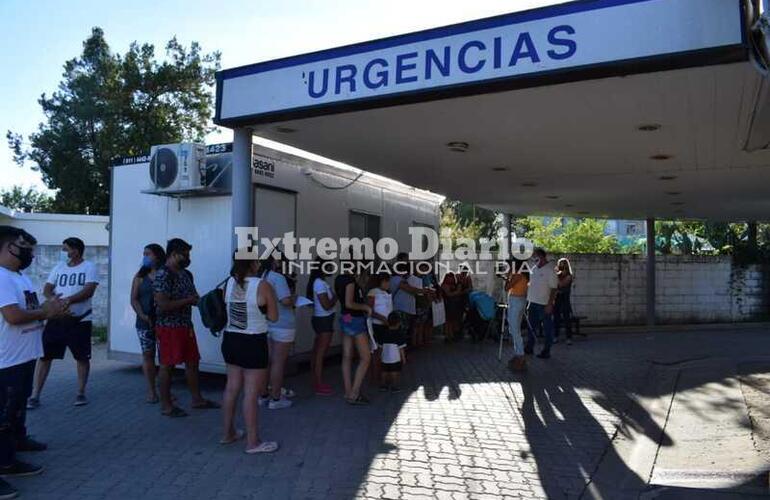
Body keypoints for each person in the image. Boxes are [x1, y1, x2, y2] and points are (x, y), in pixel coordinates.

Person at [0, 226, 69, 499]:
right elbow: (14, 316)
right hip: (6, 361)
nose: (29, 252)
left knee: (14, 411)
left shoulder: (18, 277)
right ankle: (5, 463)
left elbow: (32, 310)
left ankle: (13, 449)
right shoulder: (1, 277)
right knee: (3, 417)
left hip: (23, 356)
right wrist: (46, 311)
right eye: (24, 247)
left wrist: (51, 310)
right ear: (8, 247)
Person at [28, 237, 99, 408]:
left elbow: (89, 291)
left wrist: (68, 300)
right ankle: (35, 395)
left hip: (80, 320)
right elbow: (47, 288)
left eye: (66, 249)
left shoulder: (89, 267)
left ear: (76, 250)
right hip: (56, 319)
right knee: (45, 357)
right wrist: (55, 301)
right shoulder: (59, 267)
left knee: (81, 357)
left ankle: (80, 393)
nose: (63, 252)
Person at [220, 251, 279, 454]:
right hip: (253, 341)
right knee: (251, 393)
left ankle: (228, 434)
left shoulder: (229, 283)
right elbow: (274, 317)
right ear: (253, 263)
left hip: (231, 339)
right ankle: (253, 443)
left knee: (231, 388)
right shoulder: (262, 285)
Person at [153, 238, 219, 417]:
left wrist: (210, 301)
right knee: (167, 366)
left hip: (185, 326)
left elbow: (194, 298)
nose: (188, 258)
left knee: (192, 362)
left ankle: (197, 400)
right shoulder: (163, 275)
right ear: (173, 254)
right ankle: (166, 406)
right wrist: (187, 301)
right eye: (185, 255)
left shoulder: (185, 274)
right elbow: (162, 305)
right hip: (168, 327)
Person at [259, 253, 296, 410]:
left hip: (267, 323)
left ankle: (263, 395)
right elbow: (285, 300)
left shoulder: (262, 276)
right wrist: (294, 298)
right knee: (278, 362)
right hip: (283, 323)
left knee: (267, 361)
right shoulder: (278, 277)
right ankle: (276, 398)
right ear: (275, 262)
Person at [130, 244, 165, 403]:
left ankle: (165, 391)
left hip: (164, 323)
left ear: (157, 256)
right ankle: (152, 391)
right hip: (144, 324)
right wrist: (143, 316)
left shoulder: (165, 274)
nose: (145, 257)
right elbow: (134, 299)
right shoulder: (140, 276)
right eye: (144, 254)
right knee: (148, 355)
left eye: (148, 254)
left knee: (166, 358)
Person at [334, 258, 372, 405]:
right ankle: (355, 393)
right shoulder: (350, 280)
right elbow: (350, 303)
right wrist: (365, 307)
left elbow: (344, 302)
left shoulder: (339, 278)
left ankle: (348, 391)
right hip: (355, 319)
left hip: (345, 317)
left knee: (346, 356)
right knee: (366, 357)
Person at [307, 259, 337, 396]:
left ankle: (315, 380)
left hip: (322, 320)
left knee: (317, 351)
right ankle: (318, 383)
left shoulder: (320, 282)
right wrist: (336, 297)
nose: (331, 267)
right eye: (329, 265)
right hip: (324, 320)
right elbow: (326, 305)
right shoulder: (319, 283)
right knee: (320, 353)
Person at [525, 248, 558, 359]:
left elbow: (554, 288)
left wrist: (550, 304)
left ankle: (546, 350)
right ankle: (529, 347)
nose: (533, 258)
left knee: (547, 327)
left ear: (541, 256)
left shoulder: (550, 270)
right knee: (531, 327)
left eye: (535, 256)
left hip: (544, 304)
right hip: (532, 302)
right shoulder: (534, 269)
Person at [389, 253, 424, 347]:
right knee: (401, 331)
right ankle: (400, 350)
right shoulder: (396, 279)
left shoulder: (401, 279)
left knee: (405, 330)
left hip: (405, 308)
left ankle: (402, 350)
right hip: (401, 308)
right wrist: (423, 290)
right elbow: (410, 289)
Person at [366, 273, 392, 389]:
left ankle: (383, 376)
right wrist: (382, 318)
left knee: (384, 352)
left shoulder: (387, 293)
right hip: (376, 325)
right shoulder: (373, 292)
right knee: (376, 352)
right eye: (385, 281)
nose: (387, 284)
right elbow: (369, 310)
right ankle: (375, 377)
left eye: (388, 281)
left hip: (386, 325)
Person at [506, 259, 529, 371]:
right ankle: (518, 353)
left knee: (514, 329)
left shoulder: (517, 275)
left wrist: (508, 277)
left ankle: (520, 354)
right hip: (520, 300)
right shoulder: (523, 275)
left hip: (516, 301)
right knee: (515, 328)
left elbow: (507, 287)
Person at [440, 266, 471, 343]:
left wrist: (460, 291)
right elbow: (449, 294)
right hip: (449, 304)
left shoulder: (465, 279)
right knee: (448, 321)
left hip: (456, 303)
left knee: (454, 320)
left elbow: (469, 288)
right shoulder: (446, 285)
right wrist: (459, 291)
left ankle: (452, 335)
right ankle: (448, 335)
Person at [379, 312, 407, 392]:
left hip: (384, 357)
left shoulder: (383, 333)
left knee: (384, 371)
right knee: (395, 371)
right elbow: (401, 348)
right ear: (398, 323)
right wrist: (403, 358)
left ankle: (383, 385)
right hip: (395, 358)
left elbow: (380, 347)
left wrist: (380, 356)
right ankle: (394, 386)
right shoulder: (399, 334)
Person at [554, 257, 574, 346]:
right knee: (556, 319)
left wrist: (557, 276)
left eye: (563, 266)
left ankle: (569, 338)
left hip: (565, 300)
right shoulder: (557, 275)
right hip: (557, 299)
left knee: (567, 319)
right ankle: (555, 336)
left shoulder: (569, 276)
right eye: (560, 266)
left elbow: (561, 284)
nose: (561, 268)